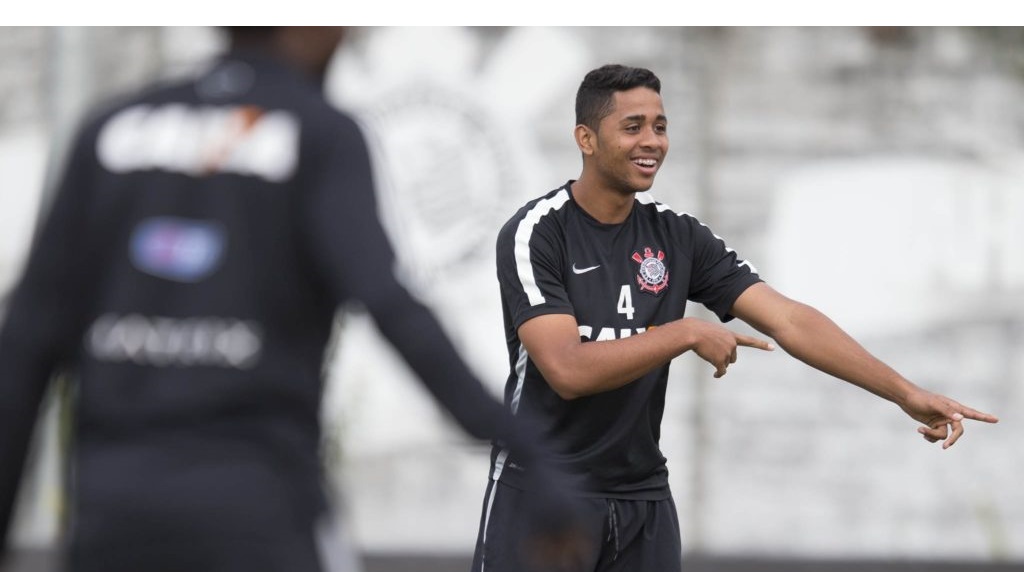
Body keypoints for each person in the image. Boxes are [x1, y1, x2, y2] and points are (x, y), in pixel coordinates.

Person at [0, 27, 586, 572]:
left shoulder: (110, 129)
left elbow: (25, 346)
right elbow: (390, 306)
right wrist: (530, 454)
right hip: (258, 514)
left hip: (113, 521)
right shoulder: (317, 132)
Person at [471, 63, 1000, 572]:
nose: (652, 141)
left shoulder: (678, 236)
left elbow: (788, 320)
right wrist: (684, 331)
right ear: (585, 139)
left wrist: (905, 393)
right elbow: (566, 370)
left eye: (660, 126)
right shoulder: (537, 233)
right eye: (632, 127)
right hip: (541, 491)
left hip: (642, 500)